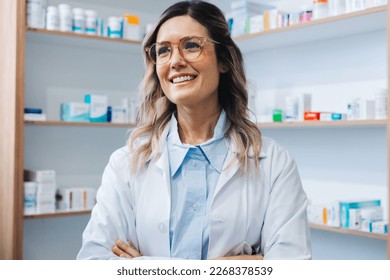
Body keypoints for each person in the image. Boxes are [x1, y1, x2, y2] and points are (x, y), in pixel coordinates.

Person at [77, 0, 311, 260]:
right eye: (163, 51)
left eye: (191, 46)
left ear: (223, 60)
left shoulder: (274, 163)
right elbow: (93, 261)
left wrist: (142, 266)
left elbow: (293, 266)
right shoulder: (125, 164)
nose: (175, 61)